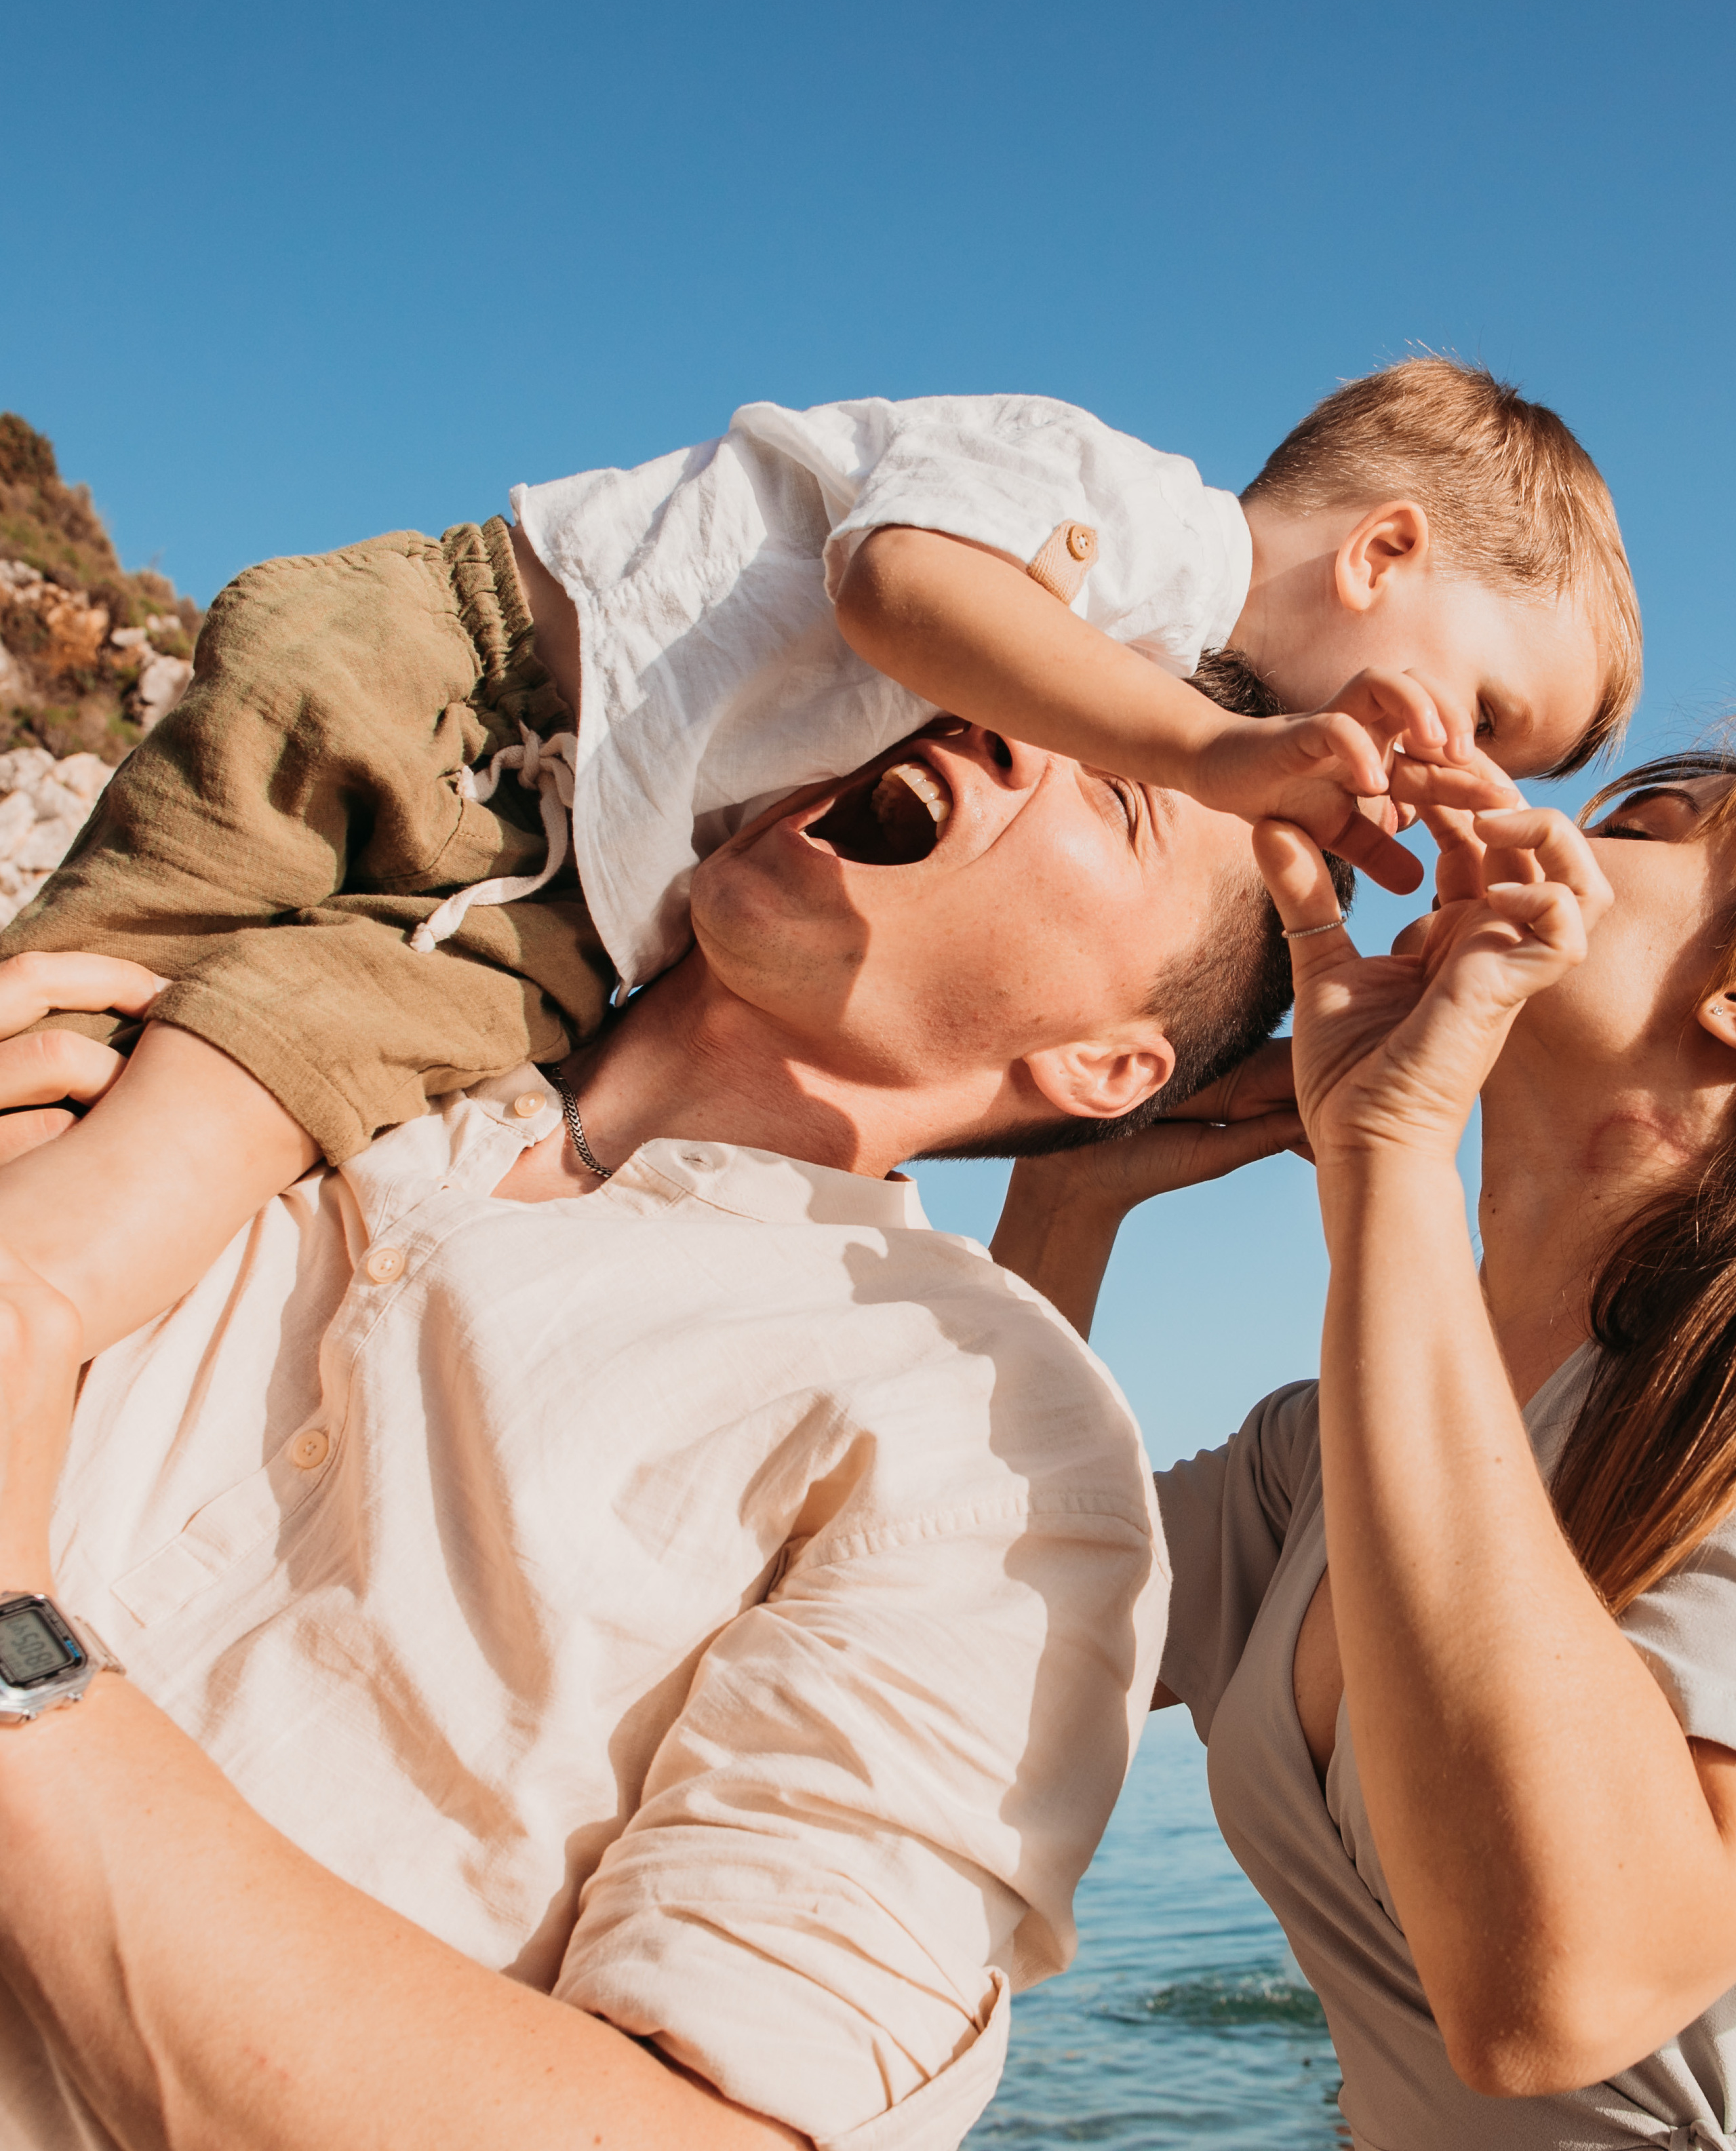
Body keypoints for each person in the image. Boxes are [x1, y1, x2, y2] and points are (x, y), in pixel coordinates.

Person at [0, 717, 1356, 2151]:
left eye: (1113, 794)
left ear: (1103, 1063)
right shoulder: (256, 1031)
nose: (997, 732)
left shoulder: (986, 1446)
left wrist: (18, 1662)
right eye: (990, 697)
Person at [0, 360, 1625, 1358]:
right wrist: (1201, 757)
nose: (1457, 768)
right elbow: (894, 590)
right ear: (1381, 549)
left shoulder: (1128, 688)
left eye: (1501, 762)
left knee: (233, 1072)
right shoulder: (1121, 512)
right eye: (1486, 707)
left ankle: (53, 1280)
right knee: (103, 970)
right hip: (455, 675)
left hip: (557, 865)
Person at [996, 749, 1736, 2146]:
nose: (1516, 815)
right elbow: (944, 1626)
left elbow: (1558, 2000)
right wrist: (1061, 1199)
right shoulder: (1315, 1454)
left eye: (1630, 827)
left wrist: (1385, 1151)